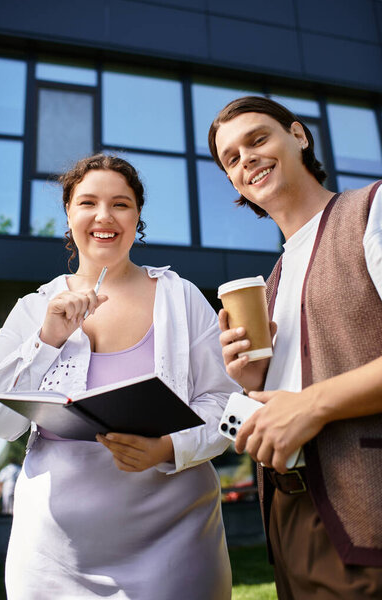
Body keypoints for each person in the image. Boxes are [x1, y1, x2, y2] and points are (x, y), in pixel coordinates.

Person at [0, 153, 239, 600]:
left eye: (121, 204)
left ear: (137, 217)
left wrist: (167, 447)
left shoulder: (182, 298)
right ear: (69, 213)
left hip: (176, 543)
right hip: (52, 557)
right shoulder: (32, 308)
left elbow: (224, 404)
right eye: (88, 203)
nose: (104, 216)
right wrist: (47, 339)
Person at [208, 96, 382, 599]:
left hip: (366, 515)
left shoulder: (370, 212)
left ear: (299, 136)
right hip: (287, 522)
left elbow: (308, 399)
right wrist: (249, 382)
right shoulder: (272, 282)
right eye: (231, 159)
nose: (247, 160)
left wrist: (310, 405)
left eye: (258, 139)